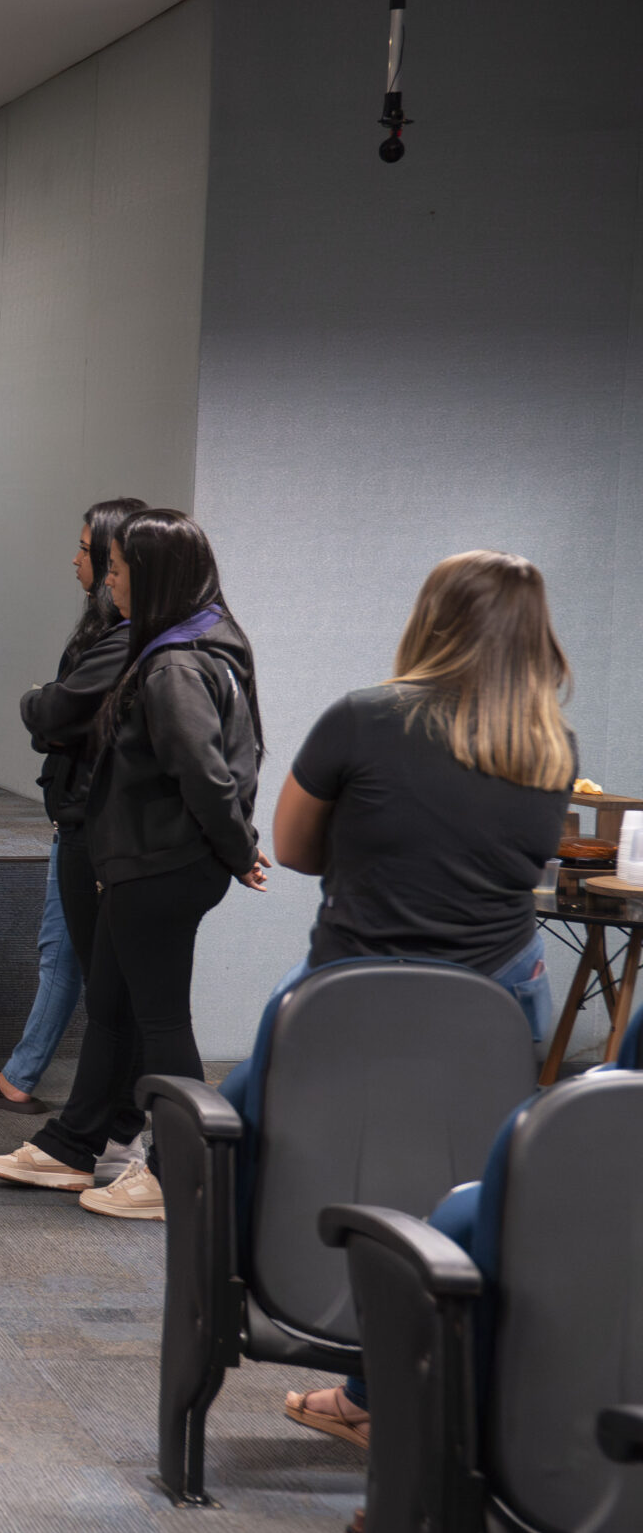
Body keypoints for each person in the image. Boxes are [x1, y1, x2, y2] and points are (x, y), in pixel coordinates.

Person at [245, 552, 575, 1450]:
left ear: (433, 617)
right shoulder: (550, 746)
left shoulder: (362, 717)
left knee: (230, 1126)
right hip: (496, 1004)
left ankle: (261, 1296)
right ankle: (401, 1387)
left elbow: (294, 847)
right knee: (484, 1188)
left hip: (353, 993)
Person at [0, 509, 266, 1217]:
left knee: (161, 1020)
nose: (107, 582)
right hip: (143, 856)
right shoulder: (186, 643)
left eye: (116, 570)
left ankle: (179, 1170)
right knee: (108, 1005)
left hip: (161, 862)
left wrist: (236, 850)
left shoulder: (173, 664)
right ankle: (75, 1144)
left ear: (154, 576)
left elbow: (204, 772)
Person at [0, 496, 147, 1112]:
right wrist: (50, 709)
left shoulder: (126, 640)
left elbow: (51, 711)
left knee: (104, 979)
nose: (74, 561)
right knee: (60, 951)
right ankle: (24, 1077)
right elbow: (54, 720)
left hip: (93, 821)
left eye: (86, 550)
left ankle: (113, 1125)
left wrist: (47, 704)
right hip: (74, 809)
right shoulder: (105, 634)